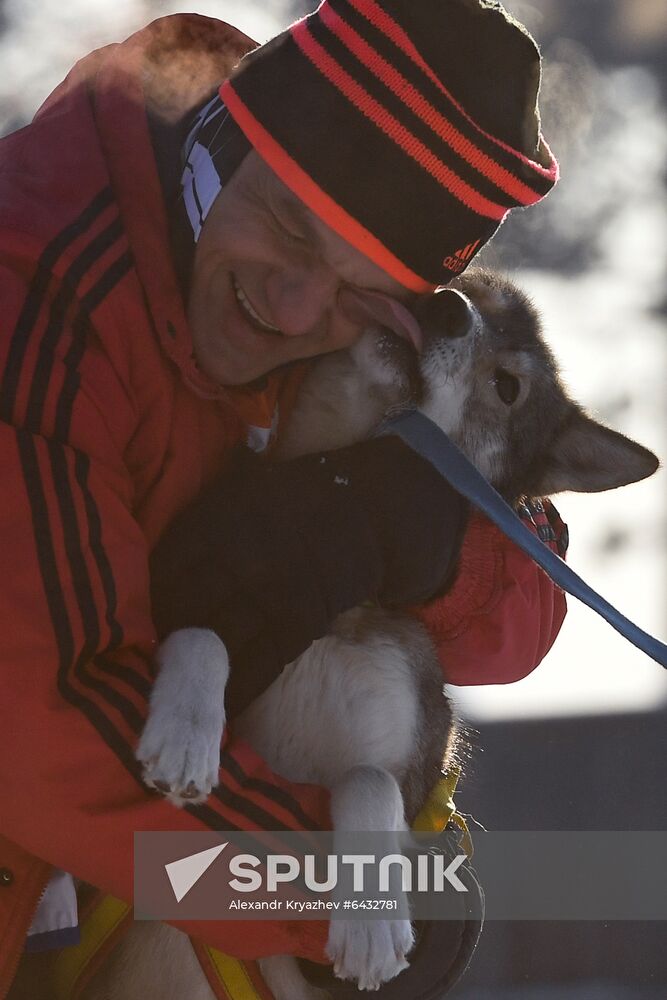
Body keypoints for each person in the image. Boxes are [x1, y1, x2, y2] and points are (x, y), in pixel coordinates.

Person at [0, 0, 568, 994]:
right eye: (289, 226)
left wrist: (414, 535)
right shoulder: (36, 293)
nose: (295, 307)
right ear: (220, 130)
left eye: (360, 293)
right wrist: (340, 895)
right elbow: (52, 743)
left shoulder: (319, 328)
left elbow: (523, 613)